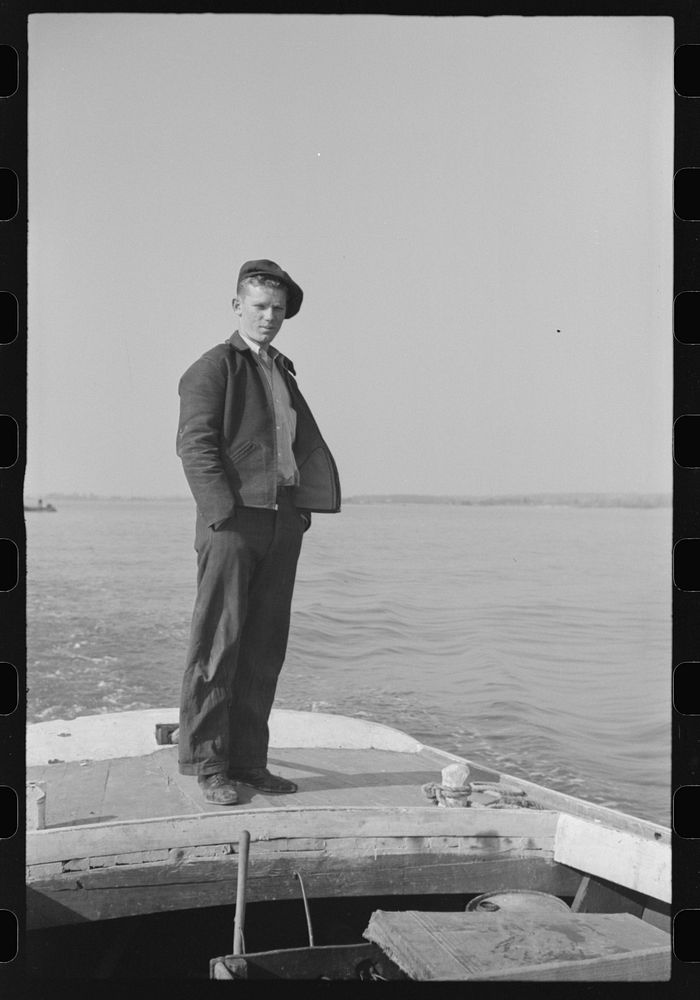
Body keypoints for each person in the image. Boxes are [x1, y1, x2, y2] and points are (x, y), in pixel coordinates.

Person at [176, 259, 341, 804]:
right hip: (233, 524)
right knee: (217, 646)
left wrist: (296, 513)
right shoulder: (213, 367)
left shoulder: (281, 371)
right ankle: (207, 765)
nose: (270, 316)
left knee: (264, 647)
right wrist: (223, 517)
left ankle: (248, 762)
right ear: (237, 307)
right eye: (260, 306)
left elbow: (289, 451)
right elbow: (195, 447)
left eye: (278, 309)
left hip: (281, 521)